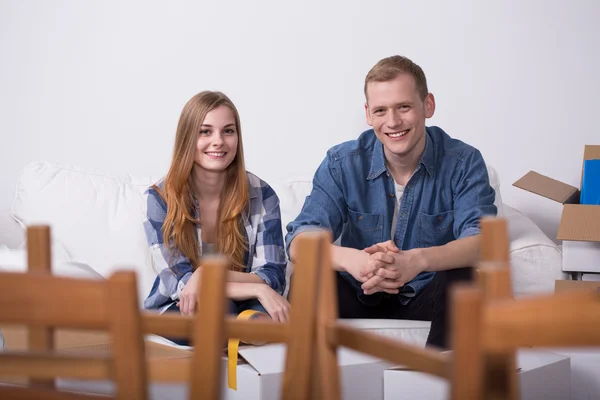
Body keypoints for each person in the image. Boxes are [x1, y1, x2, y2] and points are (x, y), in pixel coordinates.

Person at [285, 55, 497, 349]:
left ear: (428, 105)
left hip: (425, 292)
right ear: (368, 114)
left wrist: (415, 261)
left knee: (463, 277)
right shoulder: (342, 161)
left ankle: (439, 384)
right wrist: (356, 261)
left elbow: (483, 241)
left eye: (404, 107)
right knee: (308, 277)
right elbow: (300, 240)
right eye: (381, 110)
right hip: (359, 290)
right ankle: (314, 386)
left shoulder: (463, 162)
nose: (393, 122)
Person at [143, 91, 289, 344]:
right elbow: (182, 283)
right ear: (187, 137)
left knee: (258, 315)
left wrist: (209, 276)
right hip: (181, 306)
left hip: (245, 303)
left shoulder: (262, 194)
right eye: (205, 131)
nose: (218, 141)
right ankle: (242, 333)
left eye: (228, 131)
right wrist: (255, 287)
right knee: (220, 311)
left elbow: (272, 273)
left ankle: (246, 332)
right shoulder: (160, 198)